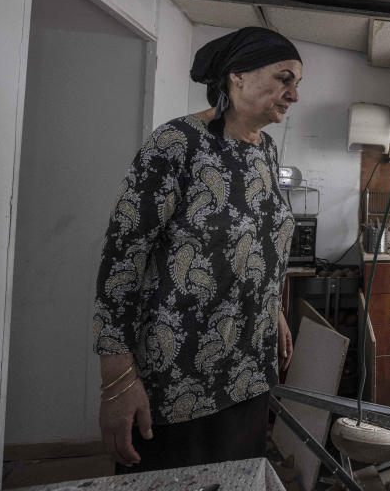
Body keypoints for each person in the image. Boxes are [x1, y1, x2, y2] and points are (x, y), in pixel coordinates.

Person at [92, 27, 303, 471]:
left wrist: (274, 309)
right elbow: (122, 260)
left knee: (236, 479)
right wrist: (116, 380)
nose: (293, 95)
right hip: (177, 379)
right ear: (237, 76)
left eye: (296, 84)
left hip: (248, 373)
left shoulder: (265, 151)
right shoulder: (177, 145)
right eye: (284, 79)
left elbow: (258, 239)